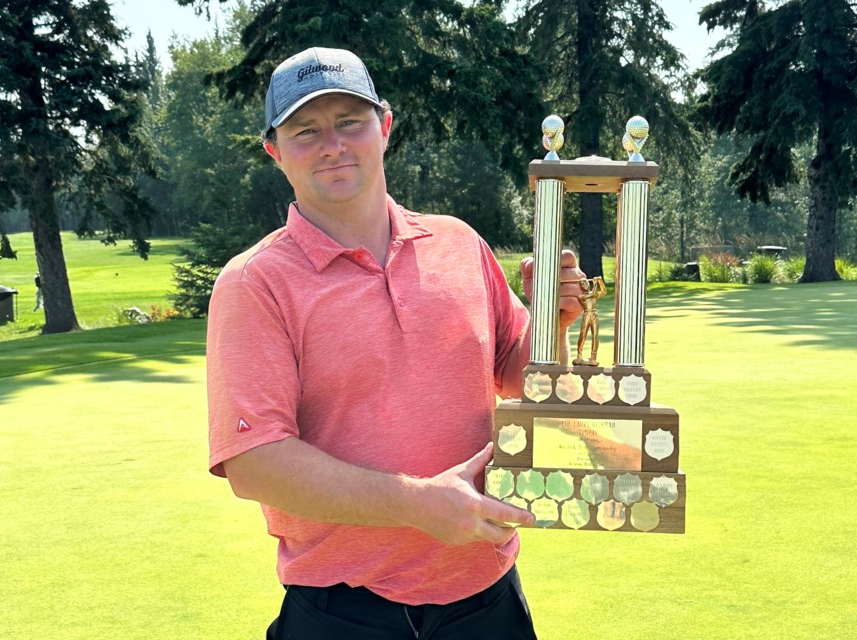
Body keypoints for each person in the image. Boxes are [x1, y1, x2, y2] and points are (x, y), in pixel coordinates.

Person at [206, 46, 586, 640]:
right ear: (275, 151)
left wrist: (552, 318)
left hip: (488, 600)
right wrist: (417, 503)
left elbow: (522, 374)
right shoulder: (255, 282)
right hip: (341, 613)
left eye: (349, 122)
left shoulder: (459, 244)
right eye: (306, 130)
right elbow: (255, 464)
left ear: (383, 126)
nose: (332, 144)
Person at [572, 276, 607, 366]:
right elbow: (593, 294)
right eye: (582, 284)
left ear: (588, 283)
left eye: (585, 282)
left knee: (595, 335)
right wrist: (596, 284)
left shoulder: (592, 293)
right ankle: (579, 355)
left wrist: (600, 282)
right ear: (581, 287)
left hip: (594, 315)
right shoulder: (581, 296)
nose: (584, 285)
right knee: (583, 335)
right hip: (587, 315)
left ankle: (593, 357)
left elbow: (604, 292)